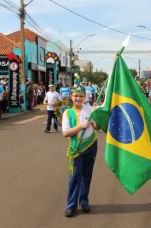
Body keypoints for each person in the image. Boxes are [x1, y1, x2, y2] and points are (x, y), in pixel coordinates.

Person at [62, 85, 99, 217]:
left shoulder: (90, 110)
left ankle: (84, 201)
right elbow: (66, 133)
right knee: (74, 177)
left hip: (91, 146)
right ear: (71, 97)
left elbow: (96, 127)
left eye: (81, 96)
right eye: (76, 96)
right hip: (76, 149)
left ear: (85, 98)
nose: (78, 98)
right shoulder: (67, 113)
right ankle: (71, 205)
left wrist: (97, 119)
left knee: (87, 175)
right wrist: (80, 126)